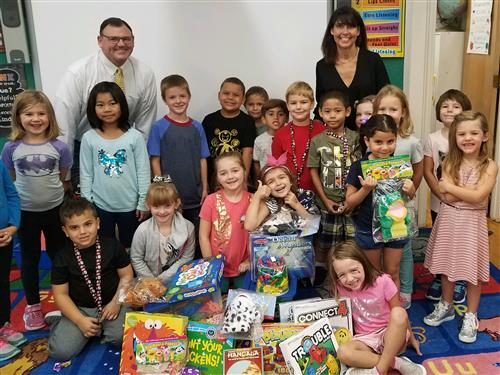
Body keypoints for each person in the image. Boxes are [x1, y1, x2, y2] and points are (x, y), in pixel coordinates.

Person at [54, 17, 156, 192]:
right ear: (100, 41)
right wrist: (65, 174)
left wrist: (142, 169)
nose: (121, 44)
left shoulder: (144, 73)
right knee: (90, 209)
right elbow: (64, 127)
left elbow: (145, 127)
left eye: (126, 39)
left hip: (126, 148)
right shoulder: (78, 72)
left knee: (125, 202)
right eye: (113, 39)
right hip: (85, 149)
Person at [423, 111, 497, 344]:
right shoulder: (449, 162)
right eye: (462, 133)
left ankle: (471, 314)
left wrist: (453, 188)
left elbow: (479, 196)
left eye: (474, 133)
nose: (467, 138)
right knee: (446, 265)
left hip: (472, 224)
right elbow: (448, 198)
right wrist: (465, 193)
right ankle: (446, 306)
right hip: (449, 219)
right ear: (455, 137)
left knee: (473, 272)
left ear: (485, 136)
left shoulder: (490, 165)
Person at [1, 91, 72, 331]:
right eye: (29, 113)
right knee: (29, 259)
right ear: (18, 117)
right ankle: (32, 306)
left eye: (41, 113)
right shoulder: (11, 148)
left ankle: (68, 299)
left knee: (60, 256)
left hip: (55, 210)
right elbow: (10, 179)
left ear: (49, 116)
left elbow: (62, 176)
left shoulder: (59, 147)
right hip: (25, 213)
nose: (36, 118)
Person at [47, 198, 133, 361]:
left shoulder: (113, 246)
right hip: (80, 308)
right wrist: (79, 320)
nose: (82, 231)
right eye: (74, 227)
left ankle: (100, 328)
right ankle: (60, 319)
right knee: (60, 352)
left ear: (98, 223)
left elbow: (127, 276)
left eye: (88, 224)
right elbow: (61, 295)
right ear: (65, 231)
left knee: (121, 337)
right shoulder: (62, 257)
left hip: (114, 302)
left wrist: (116, 302)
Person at [329, 241, 425, 375]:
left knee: (398, 312)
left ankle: (378, 371)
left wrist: (412, 337)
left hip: (391, 337)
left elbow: (400, 314)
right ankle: (397, 363)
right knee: (343, 353)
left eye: (354, 270)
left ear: (363, 263)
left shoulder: (383, 281)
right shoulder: (340, 287)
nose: (349, 279)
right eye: (342, 275)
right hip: (366, 340)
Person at [345, 115, 415, 291]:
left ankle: (395, 309)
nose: (385, 147)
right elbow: (350, 202)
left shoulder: (400, 165)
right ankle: (377, 310)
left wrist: (410, 188)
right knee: (373, 273)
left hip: (396, 225)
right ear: (367, 140)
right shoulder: (359, 166)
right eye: (378, 142)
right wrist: (365, 189)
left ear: (396, 139)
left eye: (390, 141)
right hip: (367, 226)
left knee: (392, 271)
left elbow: (409, 196)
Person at [80, 82, 150, 250]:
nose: (107, 109)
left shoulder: (134, 137)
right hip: (100, 205)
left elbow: (143, 171)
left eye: (113, 103)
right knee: (104, 247)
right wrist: (87, 204)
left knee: (132, 247)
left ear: (122, 105)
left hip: (131, 205)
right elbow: (86, 173)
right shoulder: (89, 138)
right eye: (100, 105)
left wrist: (143, 202)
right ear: (93, 108)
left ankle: (131, 276)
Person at [147, 74, 209, 257]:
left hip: (195, 195)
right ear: (165, 100)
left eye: (182, 96)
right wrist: (162, 187)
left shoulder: (197, 127)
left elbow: (203, 158)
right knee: (173, 240)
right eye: (172, 97)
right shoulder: (159, 127)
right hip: (170, 197)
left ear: (189, 97)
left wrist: (205, 188)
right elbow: (155, 160)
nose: (178, 101)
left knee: (196, 238)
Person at [373, 85, 423, 308]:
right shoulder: (372, 138)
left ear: (403, 111)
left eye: (393, 109)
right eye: (382, 108)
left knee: (403, 249)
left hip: (401, 204)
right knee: (381, 248)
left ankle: (405, 290)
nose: (387, 112)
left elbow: (418, 170)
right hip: (376, 205)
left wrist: (410, 192)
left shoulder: (410, 141)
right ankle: (383, 287)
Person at [423, 89, 471, 304]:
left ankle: (460, 279)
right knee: (440, 242)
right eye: (445, 106)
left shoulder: (469, 138)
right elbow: (428, 171)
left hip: (466, 204)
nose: (450, 110)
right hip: (440, 203)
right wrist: (441, 195)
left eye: (456, 106)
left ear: (466, 111)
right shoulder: (433, 139)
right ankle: (439, 277)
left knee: (462, 242)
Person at [308, 90, 361, 265]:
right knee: (326, 244)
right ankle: (325, 279)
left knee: (354, 245)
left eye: (337, 111)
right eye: (327, 111)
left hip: (354, 204)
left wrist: (353, 200)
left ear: (347, 111)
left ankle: (353, 278)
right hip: (327, 202)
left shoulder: (357, 138)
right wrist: (325, 199)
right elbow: (313, 170)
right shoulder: (317, 141)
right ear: (321, 113)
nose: (332, 115)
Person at [315, 6, 389, 129]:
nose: (345, 32)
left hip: (371, 135)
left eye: (350, 26)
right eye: (339, 26)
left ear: (358, 31)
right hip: (336, 137)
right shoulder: (322, 66)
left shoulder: (373, 60)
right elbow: (321, 104)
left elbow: (385, 99)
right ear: (332, 30)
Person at [199, 152, 252, 293]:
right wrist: (211, 264)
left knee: (245, 298)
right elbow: (203, 236)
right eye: (223, 173)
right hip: (218, 267)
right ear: (217, 178)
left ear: (244, 171)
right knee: (216, 302)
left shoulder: (253, 201)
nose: (230, 176)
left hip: (244, 265)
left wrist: (250, 261)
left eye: (235, 170)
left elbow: (259, 236)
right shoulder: (210, 201)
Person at [130, 177, 195, 284]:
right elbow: (136, 258)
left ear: (176, 203)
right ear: (148, 205)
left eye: (167, 205)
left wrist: (163, 279)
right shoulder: (142, 230)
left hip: (177, 280)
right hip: (149, 283)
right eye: (156, 206)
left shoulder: (188, 228)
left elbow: (186, 257)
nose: (162, 211)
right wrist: (152, 281)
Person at [271, 81, 325, 191]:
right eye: (293, 103)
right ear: (287, 106)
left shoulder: (323, 130)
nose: (298, 107)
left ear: (312, 104)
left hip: (320, 192)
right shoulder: (280, 134)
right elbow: (277, 168)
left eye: (303, 102)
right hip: (289, 192)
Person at [202, 77, 256, 187]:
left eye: (236, 95)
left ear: (243, 99)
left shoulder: (247, 122)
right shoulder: (209, 120)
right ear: (219, 95)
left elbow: (248, 152)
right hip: (214, 181)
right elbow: (203, 153)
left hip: (238, 178)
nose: (230, 97)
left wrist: (243, 180)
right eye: (226, 93)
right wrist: (205, 183)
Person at [0, 160, 25, 360]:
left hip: (4, 237)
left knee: (2, 282)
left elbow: (11, 195)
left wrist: (12, 226)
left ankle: (3, 324)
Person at [245, 157, 312, 232]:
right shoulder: (270, 204)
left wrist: (296, 205)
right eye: (271, 182)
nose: (278, 183)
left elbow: (312, 224)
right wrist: (257, 196)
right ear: (266, 188)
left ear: (291, 180)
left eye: (281, 177)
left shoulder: (303, 196)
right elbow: (249, 226)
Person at [253, 99, 288, 176]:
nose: (276, 117)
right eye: (271, 114)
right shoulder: (259, 140)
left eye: (280, 114)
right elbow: (256, 162)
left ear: (287, 118)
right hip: (267, 178)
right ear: (263, 119)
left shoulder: (290, 137)